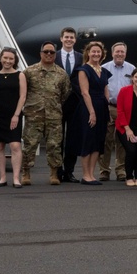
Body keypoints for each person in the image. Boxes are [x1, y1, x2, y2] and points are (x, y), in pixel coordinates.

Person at [21, 41, 71, 185]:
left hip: (54, 116)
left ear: (55, 54)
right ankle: (26, 173)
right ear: (40, 53)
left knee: (54, 145)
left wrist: (53, 105)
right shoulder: (29, 72)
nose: (49, 54)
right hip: (33, 115)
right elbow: (23, 91)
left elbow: (65, 93)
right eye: (46, 51)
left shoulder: (61, 73)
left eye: (52, 52)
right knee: (30, 145)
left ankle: (54, 174)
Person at [72, 41, 111, 185]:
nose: (96, 54)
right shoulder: (83, 70)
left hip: (101, 107)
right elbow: (84, 92)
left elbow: (106, 91)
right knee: (88, 140)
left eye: (98, 52)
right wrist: (92, 112)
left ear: (102, 54)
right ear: (88, 53)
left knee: (98, 141)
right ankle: (85, 175)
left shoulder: (104, 71)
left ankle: (91, 174)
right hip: (88, 108)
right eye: (93, 51)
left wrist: (106, 108)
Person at [0, 47, 26, 188]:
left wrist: (16, 115)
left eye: (11, 58)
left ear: (15, 60)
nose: (8, 61)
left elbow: (23, 96)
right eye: (5, 58)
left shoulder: (20, 75)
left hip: (13, 115)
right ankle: (2, 178)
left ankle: (16, 178)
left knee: (15, 145)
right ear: (0, 58)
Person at [100, 42, 134, 182]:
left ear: (125, 53)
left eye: (122, 52)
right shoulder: (104, 68)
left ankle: (121, 170)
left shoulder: (131, 68)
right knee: (106, 140)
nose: (119, 54)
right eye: (117, 51)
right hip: (109, 107)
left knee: (122, 141)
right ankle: (104, 170)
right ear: (112, 53)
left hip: (125, 109)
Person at [56, 27, 83, 183]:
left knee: (73, 138)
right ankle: (57, 171)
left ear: (75, 40)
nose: (69, 40)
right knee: (57, 139)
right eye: (66, 37)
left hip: (75, 101)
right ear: (61, 38)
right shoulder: (54, 56)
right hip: (57, 102)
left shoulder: (81, 57)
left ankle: (69, 172)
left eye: (71, 37)